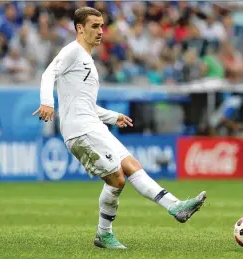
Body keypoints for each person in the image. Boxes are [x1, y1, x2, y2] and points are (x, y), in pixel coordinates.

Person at [32, 7, 206, 250]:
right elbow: (48, 74)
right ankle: (104, 234)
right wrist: (47, 103)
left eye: (102, 26)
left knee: (132, 165)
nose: (101, 31)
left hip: (93, 124)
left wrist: (113, 117)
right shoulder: (72, 51)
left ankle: (176, 206)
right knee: (117, 179)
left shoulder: (88, 62)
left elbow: (86, 104)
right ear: (79, 28)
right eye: (94, 26)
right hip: (79, 130)